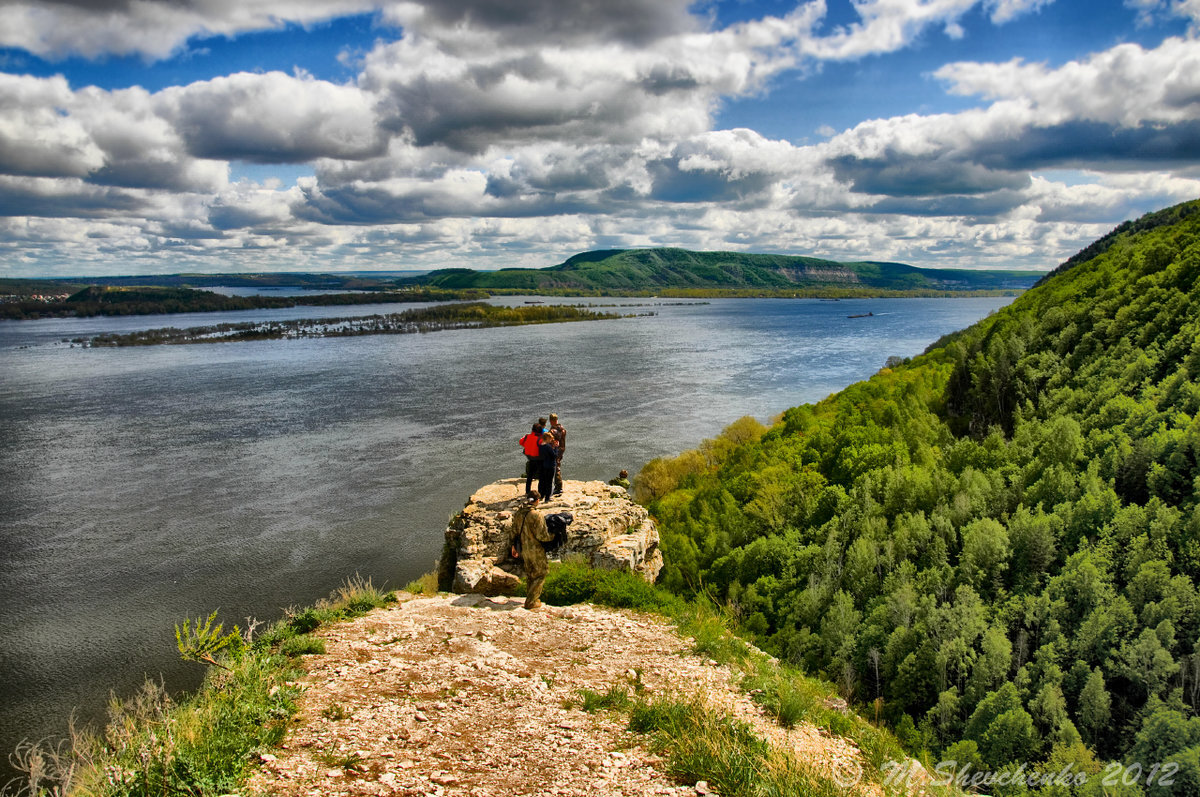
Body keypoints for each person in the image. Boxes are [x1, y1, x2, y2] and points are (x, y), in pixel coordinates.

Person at [510, 491, 554, 609]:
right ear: (537, 500)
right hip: (535, 549)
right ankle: (531, 601)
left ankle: (532, 598)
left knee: (530, 574)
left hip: (524, 549)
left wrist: (513, 547)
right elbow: (542, 536)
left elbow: (513, 531)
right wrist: (553, 536)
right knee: (541, 573)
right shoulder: (536, 515)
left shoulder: (519, 513)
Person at [518, 421, 544, 495]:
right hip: (539, 459)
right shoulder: (540, 439)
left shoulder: (527, 436)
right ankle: (540, 492)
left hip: (530, 458)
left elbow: (521, 442)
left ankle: (527, 491)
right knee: (541, 476)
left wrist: (528, 446)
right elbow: (544, 447)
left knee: (530, 476)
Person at [548, 413, 567, 496]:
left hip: (555, 450)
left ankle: (558, 487)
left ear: (551, 421)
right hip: (562, 449)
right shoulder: (562, 429)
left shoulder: (552, 431)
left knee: (556, 468)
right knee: (557, 465)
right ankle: (557, 486)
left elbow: (550, 441)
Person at [537, 431, 558, 503]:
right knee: (549, 482)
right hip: (551, 465)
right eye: (550, 438)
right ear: (547, 438)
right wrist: (555, 448)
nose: (551, 440)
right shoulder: (548, 447)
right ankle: (547, 498)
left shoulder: (540, 446)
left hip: (544, 465)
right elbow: (554, 456)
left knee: (544, 481)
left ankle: (542, 495)